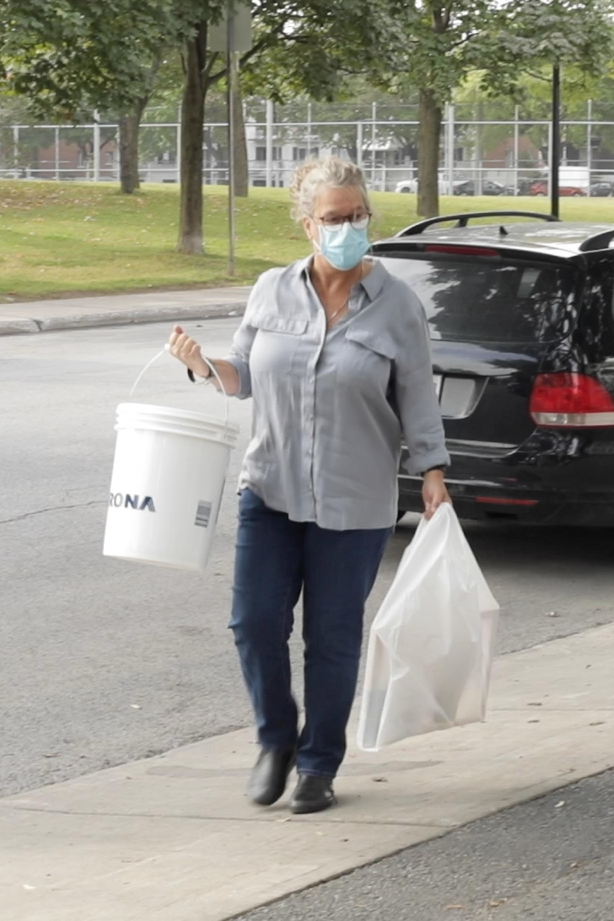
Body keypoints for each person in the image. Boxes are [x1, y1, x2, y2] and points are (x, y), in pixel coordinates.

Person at [167, 155, 450, 815]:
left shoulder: (396, 305)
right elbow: (243, 373)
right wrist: (203, 366)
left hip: (355, 498)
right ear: (306, 225)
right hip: (270, 486)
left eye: (357, 216)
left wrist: (432, 471)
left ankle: (319, 762)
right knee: (253, 623)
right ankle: (275, 740)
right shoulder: (271, 290)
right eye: (334, 218)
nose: (348, 227)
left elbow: (416, 394)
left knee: (331, 637)